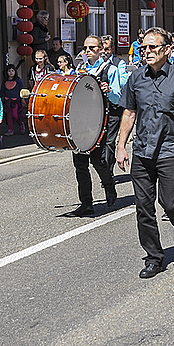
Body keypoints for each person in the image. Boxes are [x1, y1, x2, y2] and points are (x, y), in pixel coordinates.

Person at [116, 27, 174, 279]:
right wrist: (121, 145)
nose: (147, 51)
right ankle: (154, 257)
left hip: (171, 150)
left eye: (153, 47)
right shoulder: (136, 78)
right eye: (144, 47)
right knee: (143, 207)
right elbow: (129, 113)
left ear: (167, 49)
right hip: (142, 151)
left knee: (171, 204)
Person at [66, 36, 119, 217]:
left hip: (99, 121)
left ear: (100, 50)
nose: (87, 51)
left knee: (98, 160)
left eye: (92, 48)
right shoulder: (78, 71)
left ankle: (109, 185)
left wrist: (109, 90)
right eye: (85, 47)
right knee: (80, 163)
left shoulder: (110, 70)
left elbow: (118, 98)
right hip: (80, 120)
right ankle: (86, 203)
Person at [101, 35, 129, 175]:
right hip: (99, 107)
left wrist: (113, 85)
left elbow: (123, 81)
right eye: (102, 49)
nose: (104, 52)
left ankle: (108, 171)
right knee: (101, 139)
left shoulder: (119, 63)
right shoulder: (97, 64)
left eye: (106, 49)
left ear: (112, 49)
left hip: (115, 104)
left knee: (109, 141)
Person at [1, 64, 27, 136]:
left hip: (15, 101)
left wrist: (23, 99)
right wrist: (0, 99)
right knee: (9, 116)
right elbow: (2, 91)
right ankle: (10, 129)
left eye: (12, 71)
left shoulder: (18, 80)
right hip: (7, 101)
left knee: (15, 115)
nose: (11, 72)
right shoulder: (5, 82)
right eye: (9, 71)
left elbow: (22, 90)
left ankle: (21, 123)